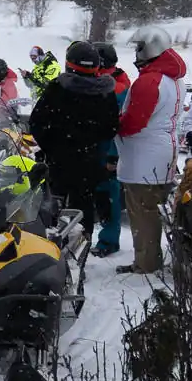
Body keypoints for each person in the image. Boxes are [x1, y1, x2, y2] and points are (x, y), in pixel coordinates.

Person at [27, 42, 120, 236]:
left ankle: (53, 246)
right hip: (90, 160)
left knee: (54, 205)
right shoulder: (105, 91)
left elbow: (37, 122)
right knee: (83, 205)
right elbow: (111, 127)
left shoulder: (59, 88)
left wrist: (51, 145)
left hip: (60, 159)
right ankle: (81, 245)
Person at [116, 26, 188, 274]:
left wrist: (114, 125)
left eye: (138, 48)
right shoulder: (174, 79)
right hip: (164, 152)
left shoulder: (150, 80)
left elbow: (135, 122)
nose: (136, 55)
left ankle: (146, 263)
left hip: (144, 157)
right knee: (157, 210)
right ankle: (157, 257)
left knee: (143, 213)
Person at [92, 42, 131, 257]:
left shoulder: (117, 87)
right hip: (95, 148)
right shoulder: (101, 82)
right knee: (100, 196)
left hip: (107, 150)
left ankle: (108, 241)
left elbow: (119, 125)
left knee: (108, 196)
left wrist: (113, 156)